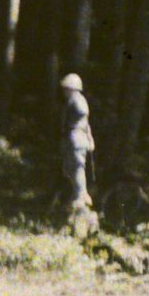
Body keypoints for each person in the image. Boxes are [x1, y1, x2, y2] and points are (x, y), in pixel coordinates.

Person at [60, 72, 95, 211]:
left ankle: (81, 194)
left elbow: (82, 118)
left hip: (76, 137)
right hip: (75, 137)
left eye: (66, 89)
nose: (64, 92)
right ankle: (79, 194)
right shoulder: (76, 101)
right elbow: (87, 124)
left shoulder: (77, 101)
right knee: (72, 168)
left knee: (77, 168)